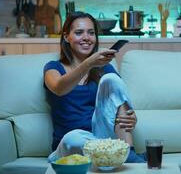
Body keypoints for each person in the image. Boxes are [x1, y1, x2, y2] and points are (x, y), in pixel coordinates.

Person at [43, 11, 146, 163]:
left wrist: (130, 116)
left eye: (91, 33)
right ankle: (120, 156)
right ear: (66, 37)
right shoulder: (53, 68)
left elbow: (118, 102)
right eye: (79, 32)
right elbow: (59, 88)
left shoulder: (104, 68)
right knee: (74, 137)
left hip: (103, 140)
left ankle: (127, 153)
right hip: (71, 144)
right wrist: (89, 63)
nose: (86, 37)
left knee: (111, 78)